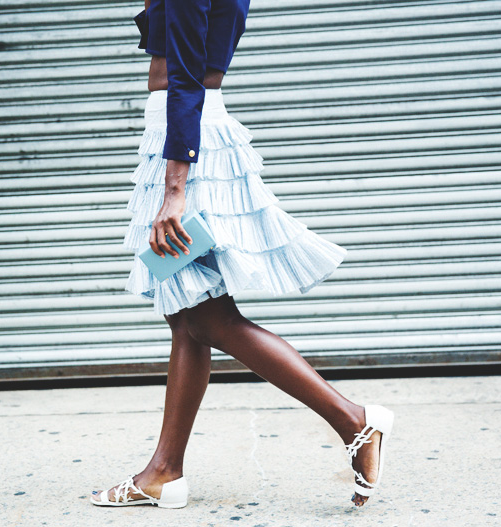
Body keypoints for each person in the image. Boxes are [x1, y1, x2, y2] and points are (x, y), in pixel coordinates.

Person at [91, 0, 394, 509]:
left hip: (187, 144)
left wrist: (174, 189)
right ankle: (164, 471)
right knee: (185, 317)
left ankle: (354, 421)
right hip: (185, 135)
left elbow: (185, 76)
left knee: (209, 316)